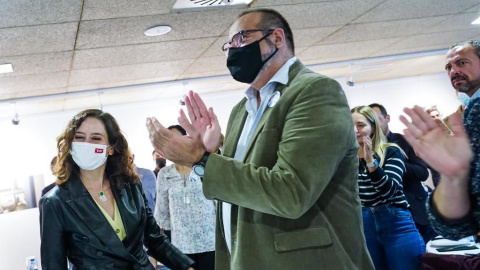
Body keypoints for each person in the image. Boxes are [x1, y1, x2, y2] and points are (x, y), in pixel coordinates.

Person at [147, 8, 374, 270]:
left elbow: (291, 192)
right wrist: (211, 153)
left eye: (241, 38)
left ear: (277, 38)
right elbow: (245, 185)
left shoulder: (314, 91)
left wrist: (202, 159)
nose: (233, 50)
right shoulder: (241, 110)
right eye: (228, 45)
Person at [39, 109, 194, 270]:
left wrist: (187, 268)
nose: (87, 144)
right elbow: (53, 265)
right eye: (79, 137)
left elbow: (155, 240)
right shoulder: (55, 202)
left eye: (96, 138)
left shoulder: (130, 186)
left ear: (111, 148)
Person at [400, 40, 480, 240]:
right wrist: (453, 177)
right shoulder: (468, 112)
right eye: (449, 67)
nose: (453, 71)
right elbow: (457, 228)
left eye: (461, 63)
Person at [351, 105, 425, 270]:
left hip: (397, 224)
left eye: (361, 125)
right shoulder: (347, 159)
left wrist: (371, 163)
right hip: (364, 226)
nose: (355, 130)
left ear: (373, 127)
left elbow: (389, 190)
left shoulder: (391, 151)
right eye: (351, 126)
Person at [369, 103, 437, 243]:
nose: (374, 125)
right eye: (370, 122)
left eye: (377, 119)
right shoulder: (365, 149)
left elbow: (422, 173)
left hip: (418, 212)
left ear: (387, 118)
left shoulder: (404, 140)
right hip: (388, 216)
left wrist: (394, 162)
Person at [154, 125, 215, 270]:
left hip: (211, 243)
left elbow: (218, 204)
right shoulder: (164, 174)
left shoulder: (205, 167)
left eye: (176, 140)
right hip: (180, 247)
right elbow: (162, 213)